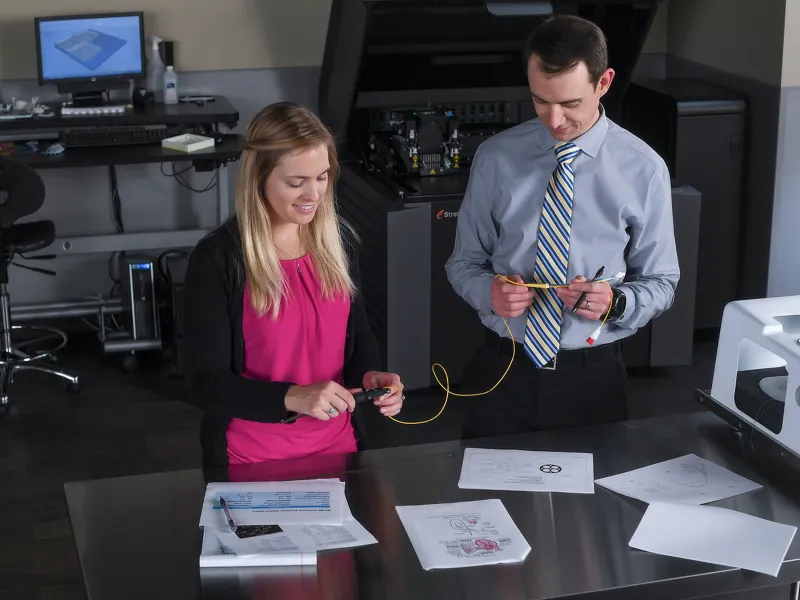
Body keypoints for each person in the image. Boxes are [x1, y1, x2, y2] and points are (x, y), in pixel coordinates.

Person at [445, 15, 680, 439]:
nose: (554, 120)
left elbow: (662, 281)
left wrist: (616, 303)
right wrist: (489, 292)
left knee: (597, 501)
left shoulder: (644, 170)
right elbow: (463, 262)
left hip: (592, 379)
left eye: (570, 104)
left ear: (604, 82)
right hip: (502, 372)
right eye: (540, 101)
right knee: (486, 501)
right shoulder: (496, 158)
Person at [183, 101, 404, 468]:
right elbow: (207, 384)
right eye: (295, 182)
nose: (313, 195)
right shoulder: (217, 259)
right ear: (259, 178)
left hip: (340, 448)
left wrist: (371, 376)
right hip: (251, 460)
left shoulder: (339, 244)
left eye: (322, 177)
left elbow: (358, 336)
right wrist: (292, 397)